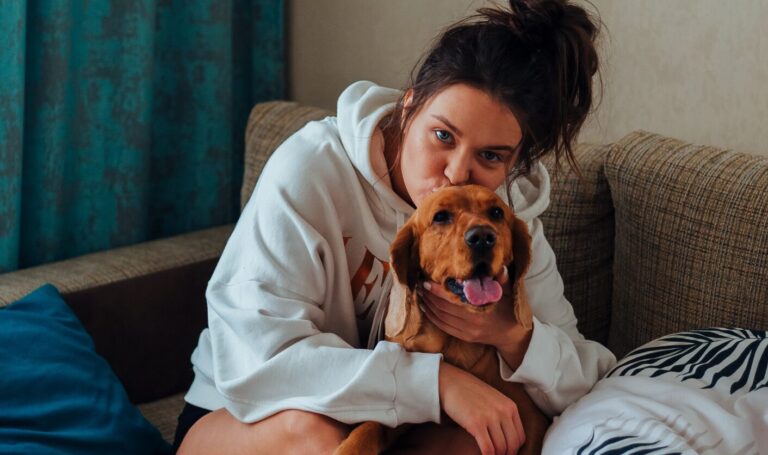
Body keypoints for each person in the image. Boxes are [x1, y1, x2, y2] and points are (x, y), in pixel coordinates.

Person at [176, 1, 616, 454]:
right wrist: (436, 384)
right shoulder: (310, 170)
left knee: (485, 441)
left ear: (514, 160)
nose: (456, 173)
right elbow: (258, 364)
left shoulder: (503, 220)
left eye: (491, 156)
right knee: (328, 439)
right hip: (243, 415)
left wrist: (512, 336)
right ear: (409, 106)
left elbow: (584, 375)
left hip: (397, 422)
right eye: (443, 136)